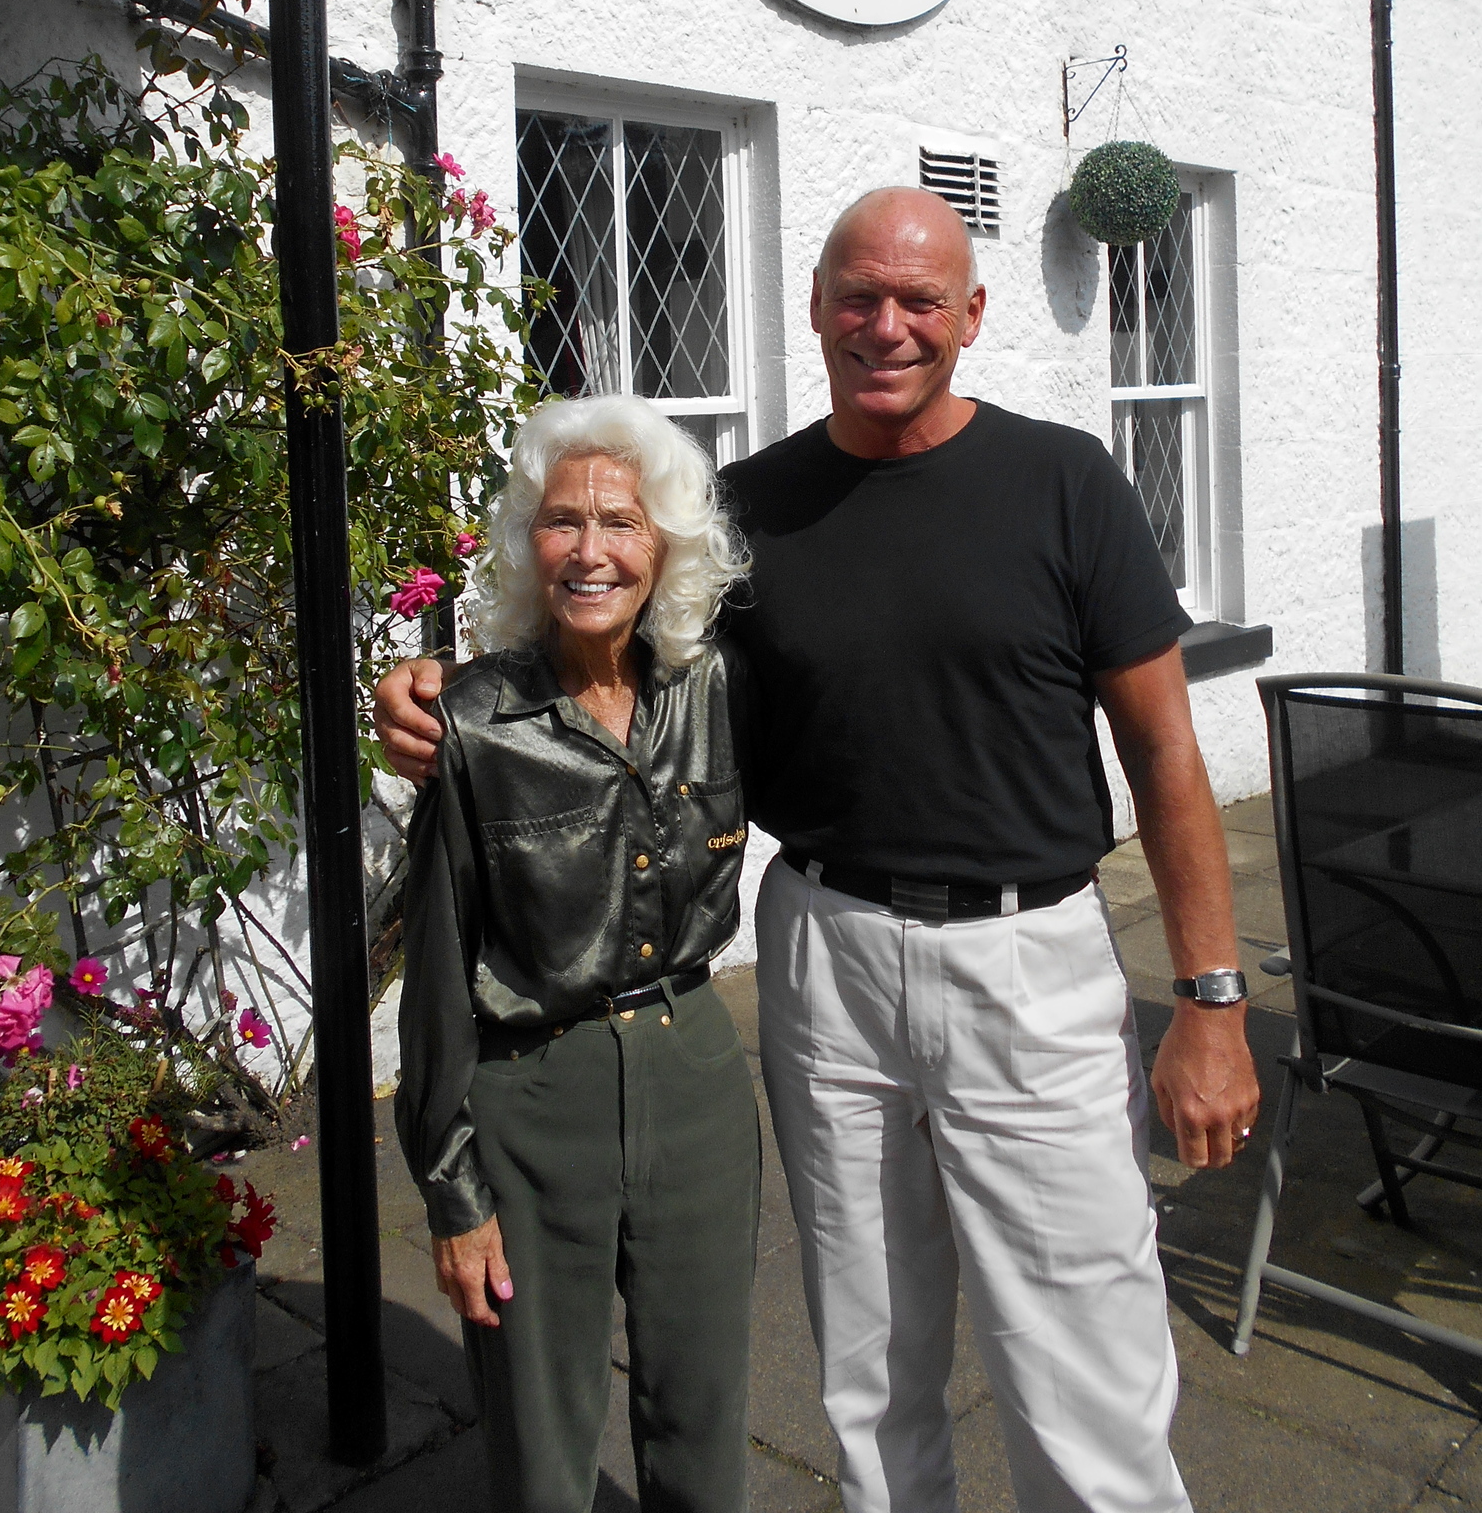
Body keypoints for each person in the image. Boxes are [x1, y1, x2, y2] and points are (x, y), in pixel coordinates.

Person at [378, 188, 1261, 1513]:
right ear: (816, 309)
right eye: (859, 295)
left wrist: (1211, 997)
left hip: (1031, 960)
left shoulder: (1066, 482)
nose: (887, 325)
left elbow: (1166, 756)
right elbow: (615, 628)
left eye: (920, 301)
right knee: (867, 1355)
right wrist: (445, 683)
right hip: (826, 953)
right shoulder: (749, 515)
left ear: (972, 315)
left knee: (1083, 1356)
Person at [394, 393, 759, 1513]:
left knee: (702, 1418)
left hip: (696, 1074)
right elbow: (438, 989)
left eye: (623, 522)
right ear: (527, 543)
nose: (591, 550)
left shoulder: (713, 686)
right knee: (543, 1446)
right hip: (530, 1095)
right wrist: (455, 1198)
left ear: (668, 546)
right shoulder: (472, 725)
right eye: (563, 522)